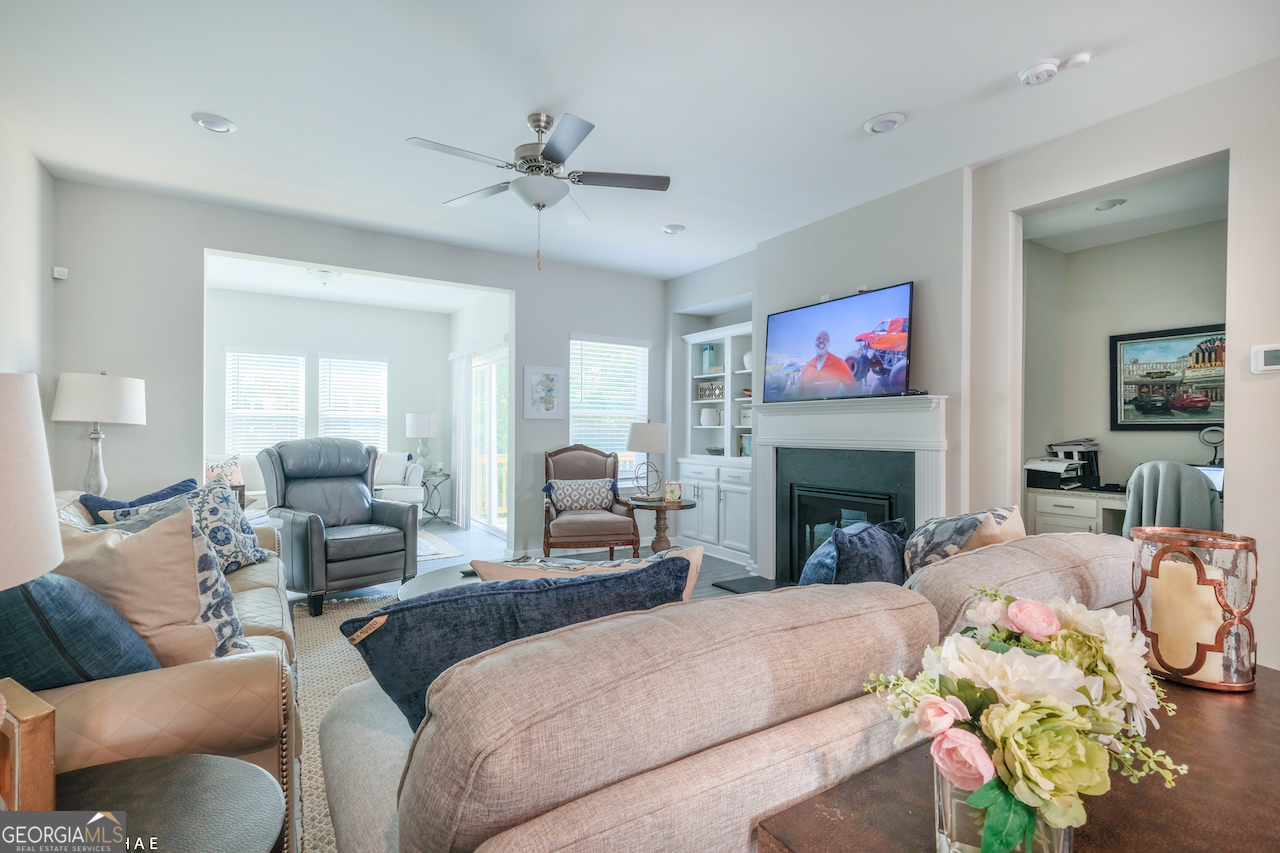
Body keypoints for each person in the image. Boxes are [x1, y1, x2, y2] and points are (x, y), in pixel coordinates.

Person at [799, 330, 857, 397]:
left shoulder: (839, 363)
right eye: (818, 339)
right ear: (814, 345)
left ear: (829, 344)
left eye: (825, 339)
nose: (821, 341)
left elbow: (853, 388)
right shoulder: (806, 368)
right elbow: (799, 394)